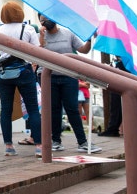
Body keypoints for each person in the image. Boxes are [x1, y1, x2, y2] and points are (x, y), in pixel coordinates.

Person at [37, 13, 101, 153]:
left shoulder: (67, 33)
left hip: (68, 77)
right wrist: (41, 39)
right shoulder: (39, 36)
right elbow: (36, 55)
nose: (46, 22)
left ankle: (83, 142)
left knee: (72, 109)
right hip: (49, 78)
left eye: (48, 18)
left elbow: (83, 50)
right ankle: (56, 141)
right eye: (42, 21)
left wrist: (90, 39)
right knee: (54, 110)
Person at [0, 2, 42, 157]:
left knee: (6, 110)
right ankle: (39, 146)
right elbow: (37, 52)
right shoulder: (28, 29)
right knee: (33, 109)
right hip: (24, 71)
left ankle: (8, 146)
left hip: (5, 73)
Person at [98, 56, 125, 137]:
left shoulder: (122, 62)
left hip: (119, 82)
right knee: (116, 107)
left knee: (116, 106)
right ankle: (113, 128)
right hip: (121, 80)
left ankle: (112, 129)